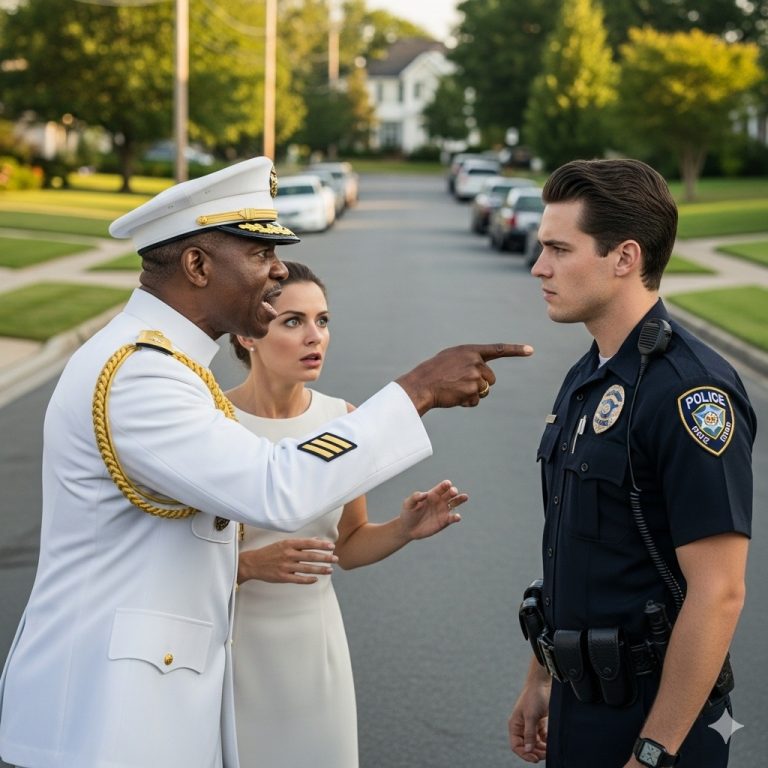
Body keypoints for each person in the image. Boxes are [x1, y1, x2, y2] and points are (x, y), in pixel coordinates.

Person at [0, 156, 532, 768]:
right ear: (197, 265)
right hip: (108, 719)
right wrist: (416, 392)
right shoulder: (142, 375)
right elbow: (275, 486)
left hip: (145, 704)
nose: (277, 268)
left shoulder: (168, 365)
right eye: (257, 252)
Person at [508, 158, 755, 768]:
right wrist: (541, 674)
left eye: (560, 249)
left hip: (655, 719)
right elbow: (581, 556)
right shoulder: (590, 375)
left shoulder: (691, 392)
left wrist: (653, 753)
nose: (539, 267)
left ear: (624, 257)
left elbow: (719, 591)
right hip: (580, 702)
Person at [227, 260, 467, 767]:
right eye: (293, 321)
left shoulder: (343, 421)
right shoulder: (212, 425)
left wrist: (403, 529)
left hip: (315, 651)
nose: (315, 336)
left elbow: (349, 546)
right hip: (229, 652)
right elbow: (162, 558)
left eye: (323, 320)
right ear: (248, 335)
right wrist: (247, 566)